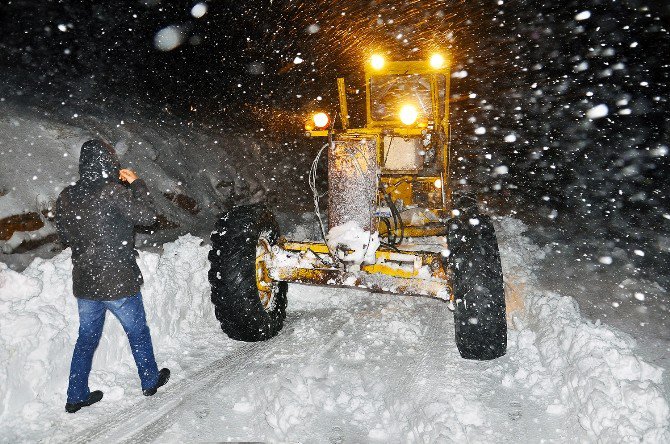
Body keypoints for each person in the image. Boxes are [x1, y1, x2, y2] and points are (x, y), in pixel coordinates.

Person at [55, 139, 170, 413]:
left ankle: (76, 395)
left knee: (86, 340)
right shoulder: (113, 192)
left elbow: (64, 236)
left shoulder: (66, 196)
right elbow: (148, 216)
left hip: (85, 282)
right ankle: (150, 380)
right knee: (138, 333)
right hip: (117, 281)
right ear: (109, 161)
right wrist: (137, 184)